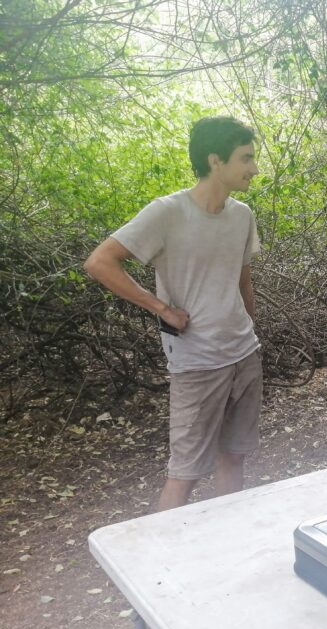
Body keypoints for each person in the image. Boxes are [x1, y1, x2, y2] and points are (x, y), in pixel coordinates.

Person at [84, 116, 262, 511]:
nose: (254, 168)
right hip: (197, 363)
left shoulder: (242, 215)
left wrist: (250, 329)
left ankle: (229, 546)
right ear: (216, 160)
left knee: (234, 457)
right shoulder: (167, 212)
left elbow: (243, 281)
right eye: (246, 158)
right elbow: (100, 262)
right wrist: (161, 308)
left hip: (244, 355)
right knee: (184, 473)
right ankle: (160, 567)